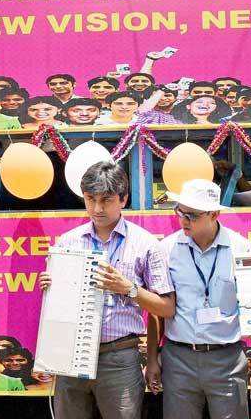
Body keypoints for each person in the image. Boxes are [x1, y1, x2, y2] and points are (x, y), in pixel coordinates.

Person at [39, 161, 175, 419]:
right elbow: (57, 309)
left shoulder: (145, 244)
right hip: (70, 356)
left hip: (119, 357)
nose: (97, 208)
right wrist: (50, 289)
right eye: (90, 199)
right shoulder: (68, 241)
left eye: (106, 200)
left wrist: (128, 288)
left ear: (123, 199)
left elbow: (166, 308)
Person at [147, 179, 251, 418]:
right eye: (179, 212)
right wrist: (152, 359)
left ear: (214, 214)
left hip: (227, 359)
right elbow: (157, 311)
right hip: (178, 358)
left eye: (191, 215)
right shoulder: (167, 249)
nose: (183, 220)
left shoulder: (241, 248)